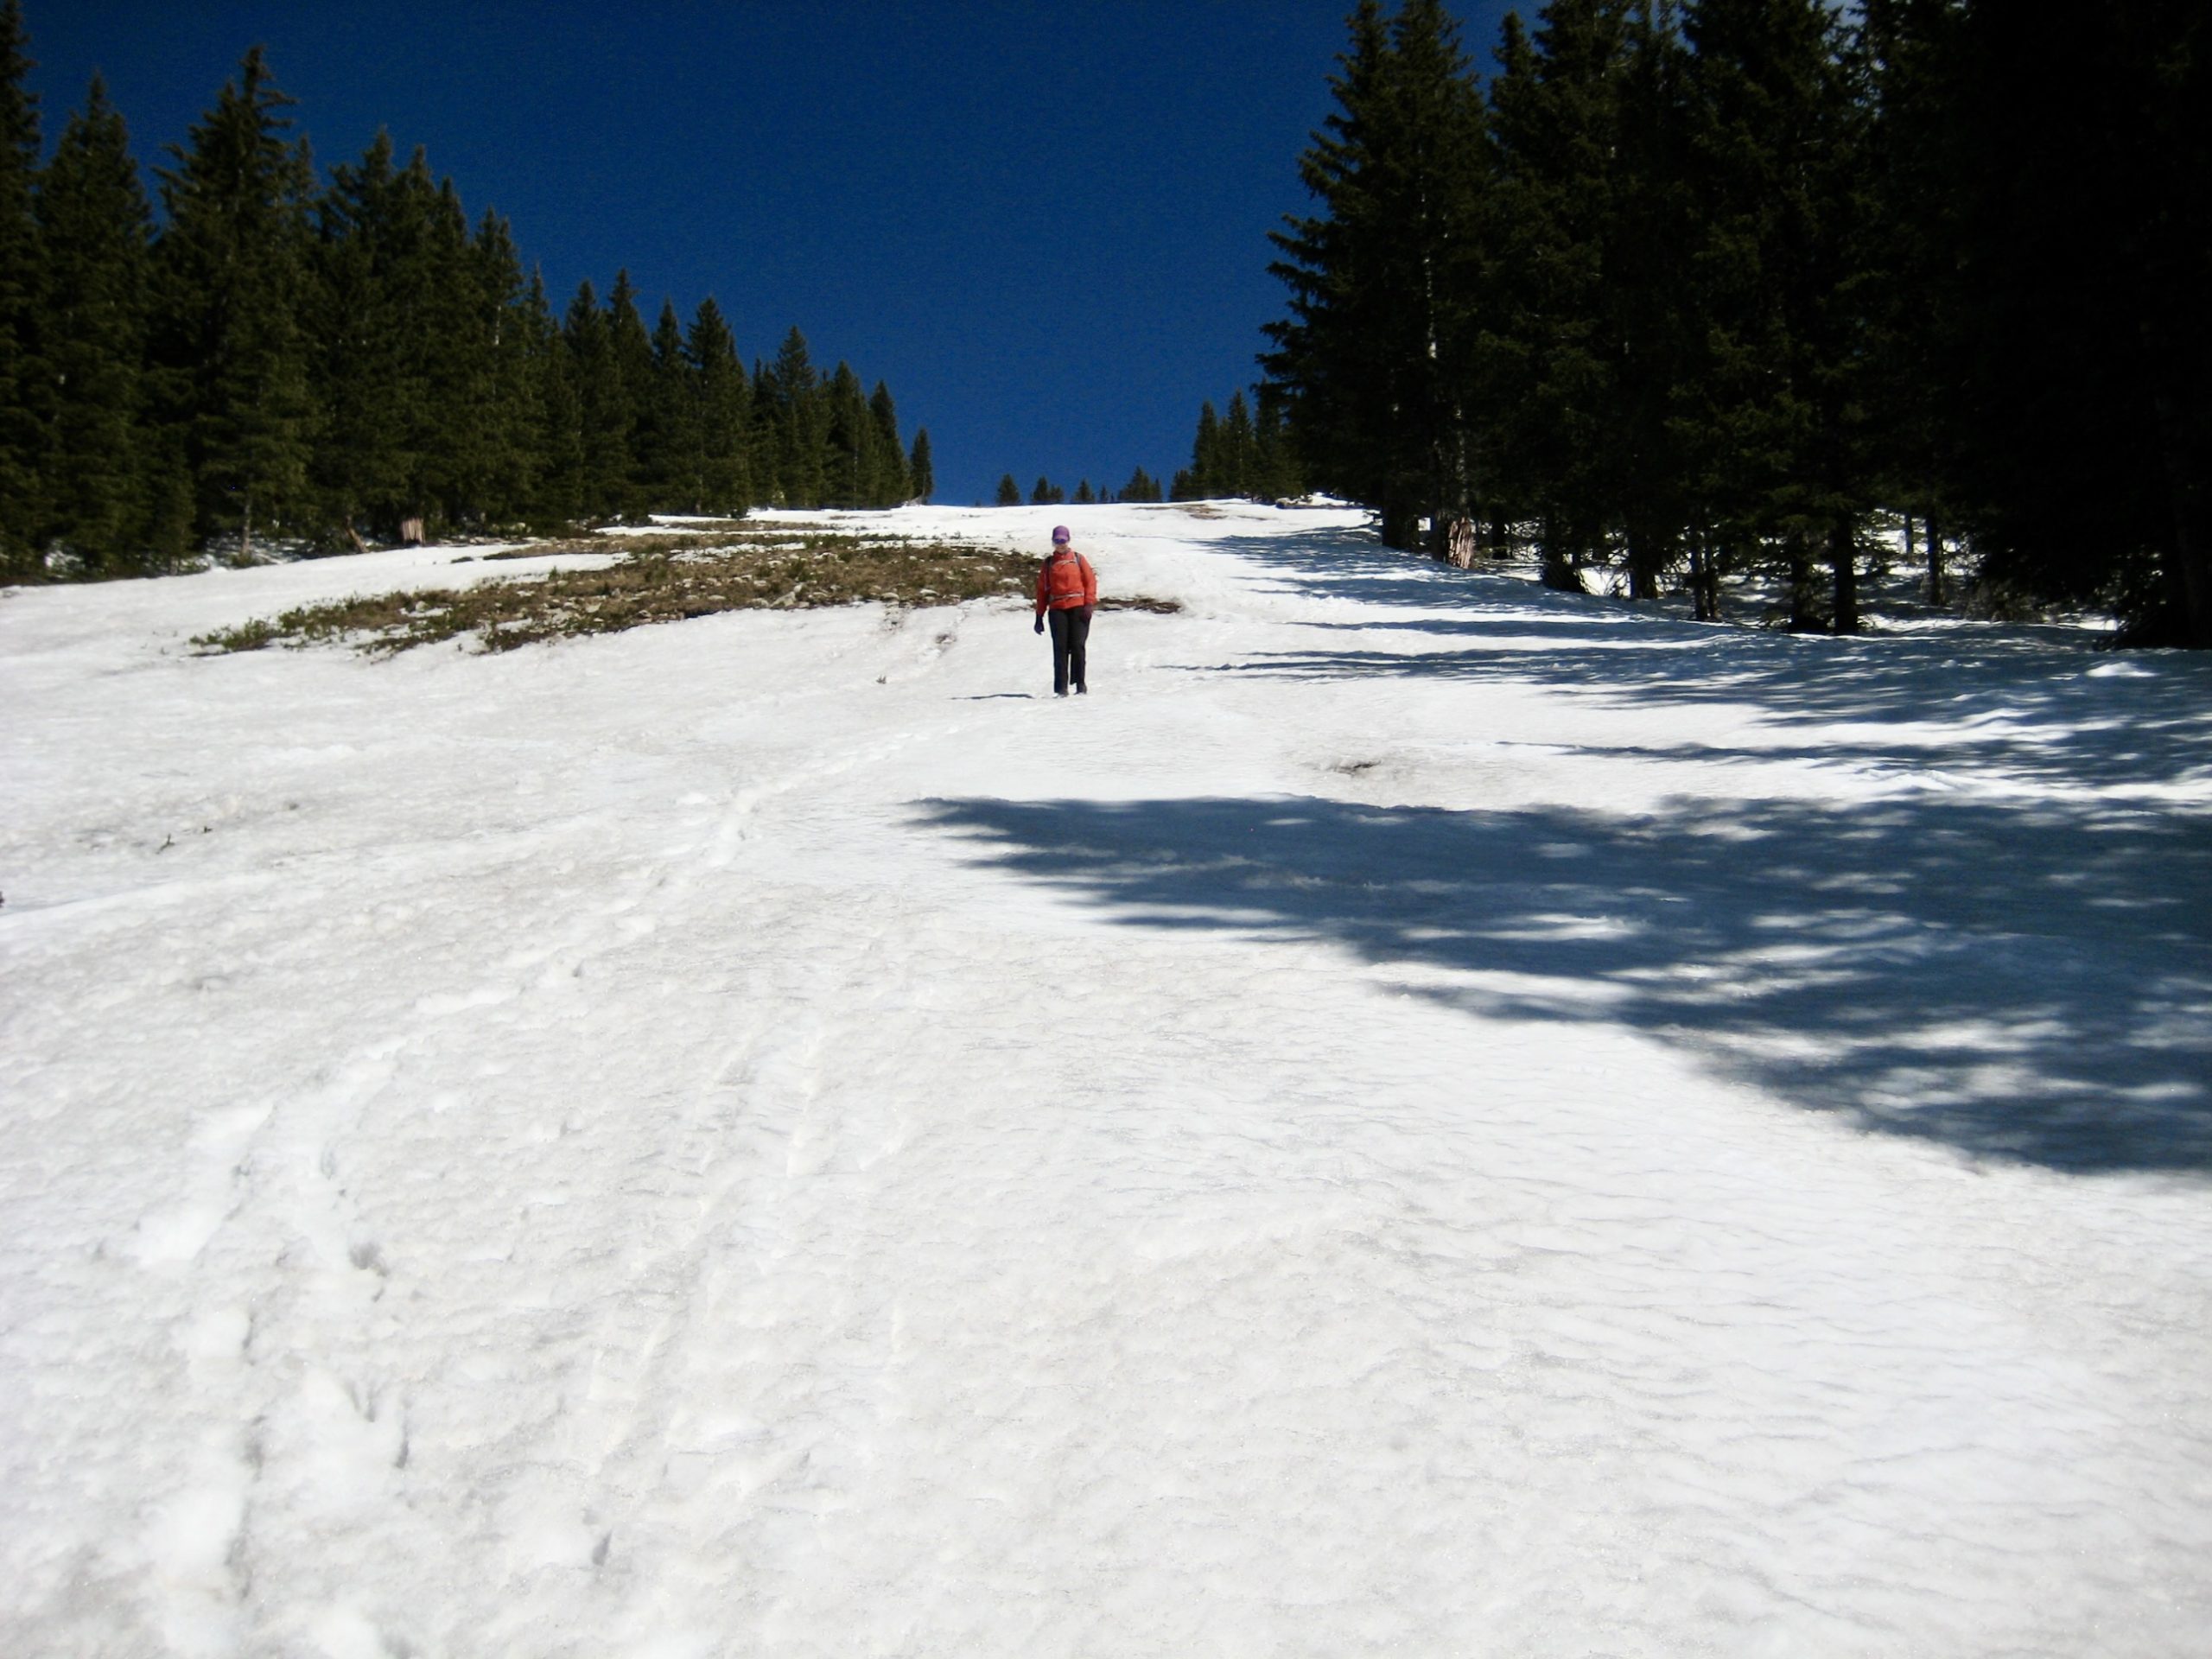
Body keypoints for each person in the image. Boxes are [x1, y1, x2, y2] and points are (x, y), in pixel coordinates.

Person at [1033, 524, 1097, 696]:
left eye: (1063, 540)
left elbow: (1090, 582)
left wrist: (1089, 603)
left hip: (1078, 607)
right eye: (1057, 541)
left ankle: (1080, 684)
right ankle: (1061, 688)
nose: (1060, 544)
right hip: (1057, 609)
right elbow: (1042, 591)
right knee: (1060, 648)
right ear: (1053, 542)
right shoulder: (1049, 563)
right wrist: (1039, 615)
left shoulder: (1078, 559)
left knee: (1077, 645)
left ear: (1068, 540)